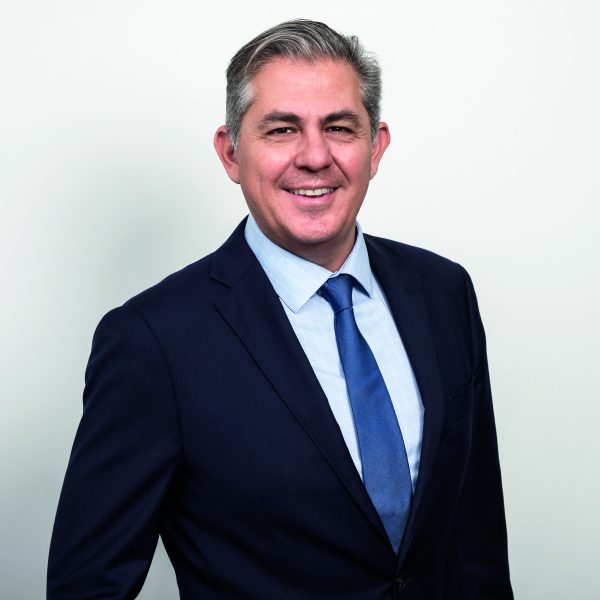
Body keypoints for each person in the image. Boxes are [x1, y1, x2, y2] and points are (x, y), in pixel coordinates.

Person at [47, 19, 513, 599]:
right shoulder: (154, 341)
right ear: (231, 153)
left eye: (339, 127)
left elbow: (476, 542)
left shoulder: (444, 292)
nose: (315, 156)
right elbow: (88, 586)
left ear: (375, 147)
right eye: (282, 129)